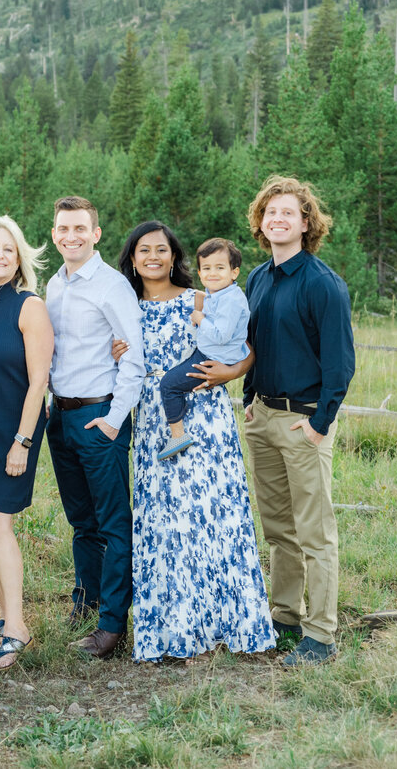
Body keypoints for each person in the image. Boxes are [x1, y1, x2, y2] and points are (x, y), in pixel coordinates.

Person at [115, 220, 275, 663]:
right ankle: (174, 629)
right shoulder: (124, 306)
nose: (153, 257)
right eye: (143, 250)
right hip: (154, 420)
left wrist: (232, 373)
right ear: (132, 258)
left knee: (211, 516)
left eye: (161, 250)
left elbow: (245, 348)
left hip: (206, 418)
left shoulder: (200, 298)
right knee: (166, 518)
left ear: (174, 257)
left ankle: (230, 623)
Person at [244, 176, 355, 666]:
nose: (278, 220)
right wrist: (249, 398)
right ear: (261, 223)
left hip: (304, 422)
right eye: (270, 213)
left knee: (314, 533)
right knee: (278, 529)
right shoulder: (258, 278)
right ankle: (285, 617)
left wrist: (319, 424)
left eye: (288, 212)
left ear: (306, 222)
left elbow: (340, 364)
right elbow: (253, 344)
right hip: (263, 417)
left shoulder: (322, 284)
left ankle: (321, 635)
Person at [45, 195, 145, 661]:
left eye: (80, 228)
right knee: (81, 522)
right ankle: (84, 602)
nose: (72, 236)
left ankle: (111, 624)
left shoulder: (112, 286)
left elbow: (135, 361)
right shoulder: (54, 285)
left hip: (98, 416)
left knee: (111, 522)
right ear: (54, 233)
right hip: (59, 417)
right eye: (64, 228)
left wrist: (113, 419)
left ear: (96, 233)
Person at [0, 216, 54, 670]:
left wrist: (21, 441)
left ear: (19, 258)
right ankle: (4, 617)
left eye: (8, 249)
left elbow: (39, 379)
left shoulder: (28, 305)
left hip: (13, 427)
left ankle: (17, 627)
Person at [157, 237, 249, 459]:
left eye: (220, 267)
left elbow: (221, 334)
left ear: (234, 272)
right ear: (199, 273)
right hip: (211, 353)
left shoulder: (230, 300)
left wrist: (200, 319)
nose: (212, 273)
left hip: (215, 359)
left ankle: (178, 435)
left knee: (169, 384)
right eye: (206, 268)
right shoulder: (217, 294)